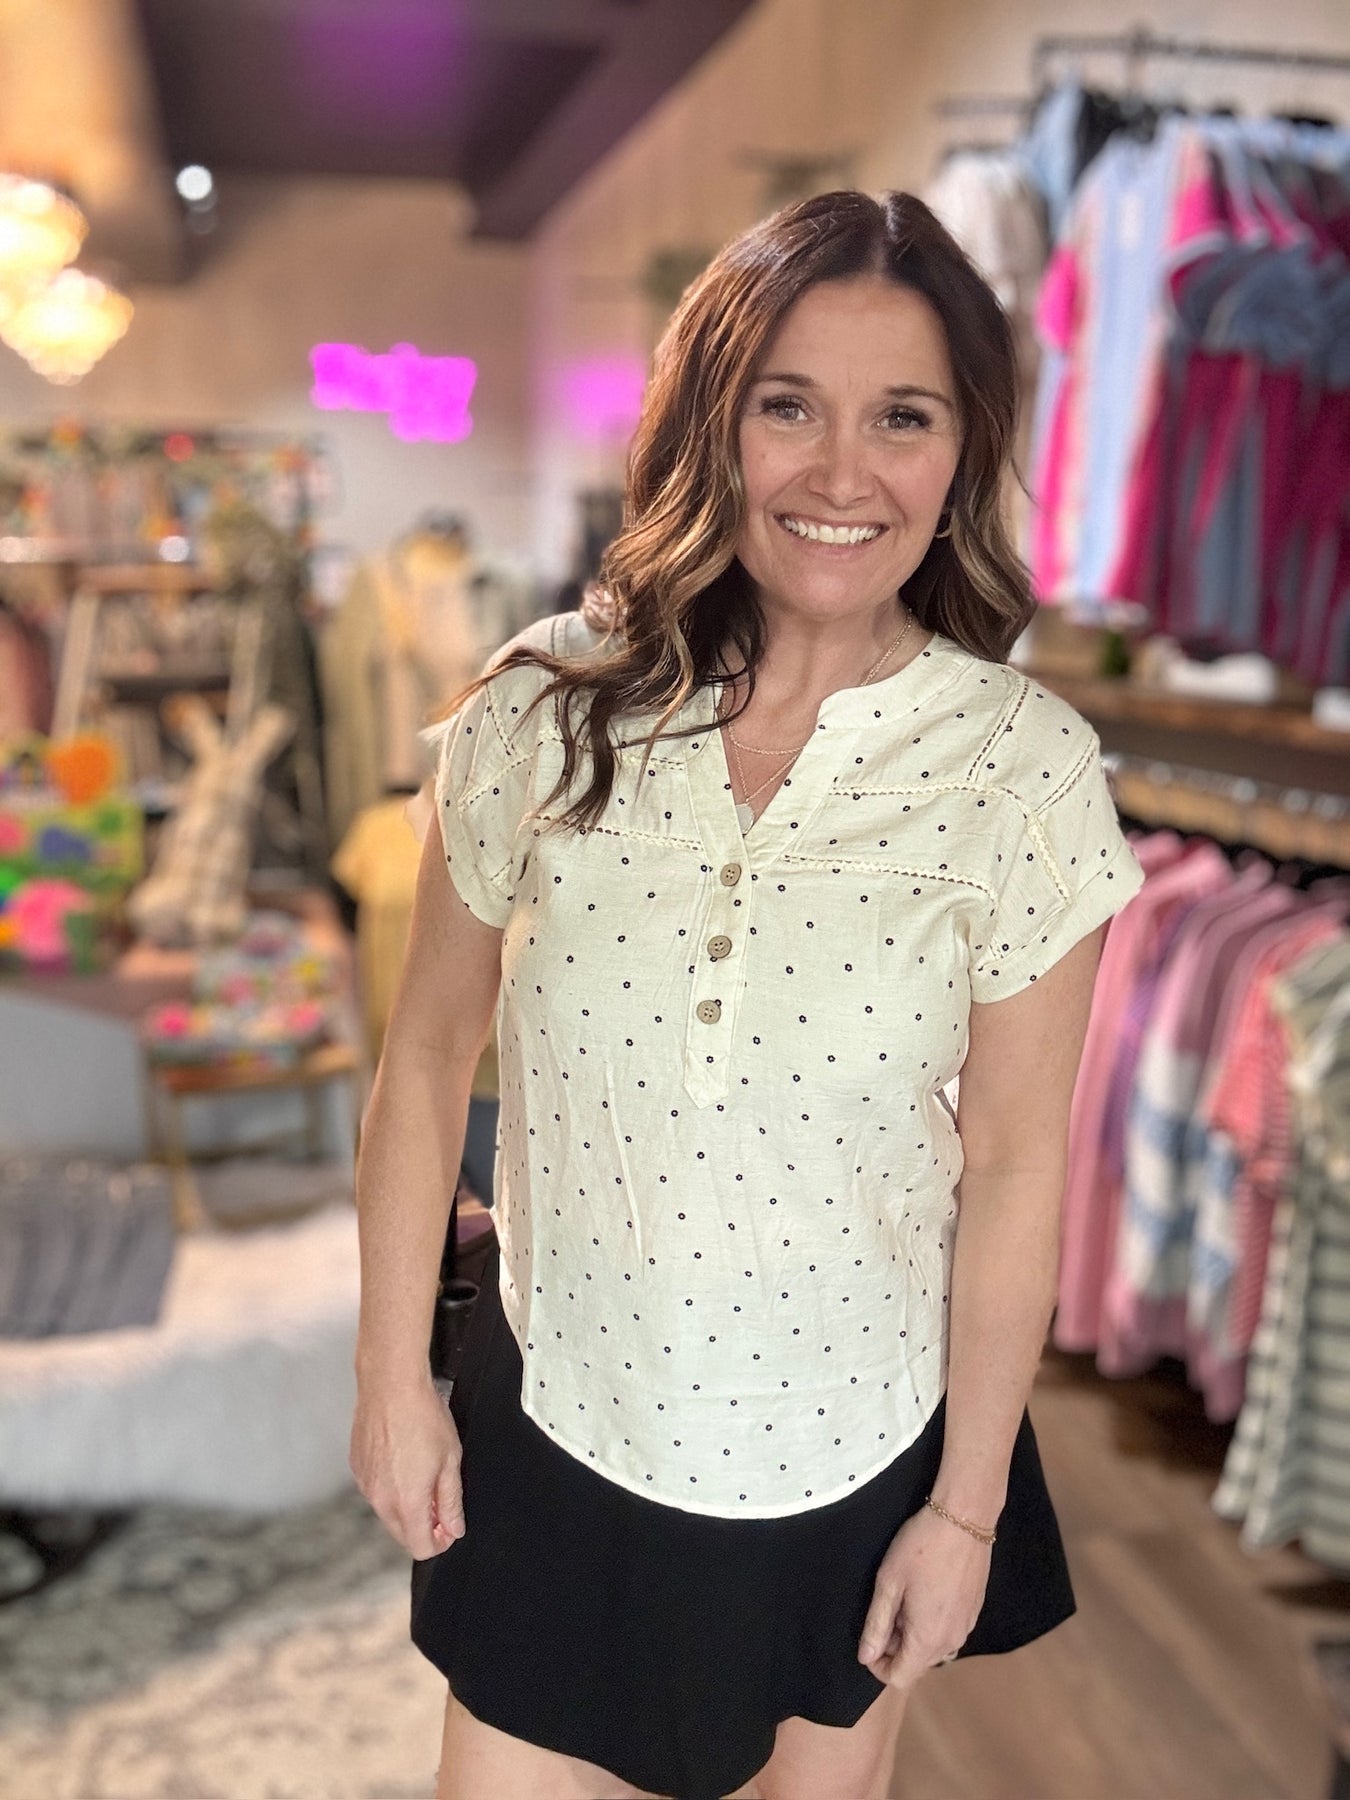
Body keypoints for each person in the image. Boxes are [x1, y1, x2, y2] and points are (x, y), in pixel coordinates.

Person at [349, 189, 1147, 1800]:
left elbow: (1012, 1166)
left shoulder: (1023, 771)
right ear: (708, 424)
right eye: (787, 406)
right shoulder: (544, 708)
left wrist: (965, 1510)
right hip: (559, 1403)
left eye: (901, 417)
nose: (841, 474)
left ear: (962, 450)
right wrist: (386, 1381)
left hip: (858, 1443)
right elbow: (425, 1060)